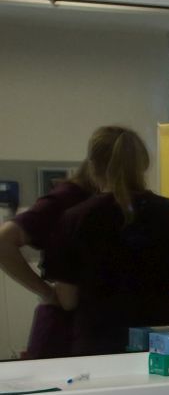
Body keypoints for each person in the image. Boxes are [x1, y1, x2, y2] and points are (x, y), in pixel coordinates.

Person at [36, 127, 169, 355]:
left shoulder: (75, 218)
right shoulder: (166, 211)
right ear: (143, 164)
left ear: (93, 166)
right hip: (156, 344)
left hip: (96, 344)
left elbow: (68, 300)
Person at [0, 145, 97, 357]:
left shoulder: (106, 202)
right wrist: (46, 292)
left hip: (91, 324)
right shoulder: (66, 200)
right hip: (65, 325)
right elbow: (4, 242)